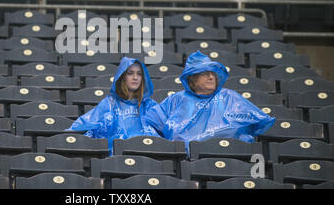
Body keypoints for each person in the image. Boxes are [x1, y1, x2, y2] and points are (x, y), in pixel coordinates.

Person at [144, 51, 275, 153]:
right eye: (205, 73)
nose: (211, 77)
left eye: (213, 74)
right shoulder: (177, 99)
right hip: (188, 157)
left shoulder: (229, 97)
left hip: (231, 153)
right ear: (193, 78)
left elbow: (257, 122)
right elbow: (151, 120)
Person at [67, 57, 160, 154]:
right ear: (122, 76)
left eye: (139, 74)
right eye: (130, 73)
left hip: (147, 154)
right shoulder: (109, 103)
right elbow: (85, 124)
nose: (135, 77)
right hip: (118, 157)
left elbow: (165, 128)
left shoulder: (149, 105)